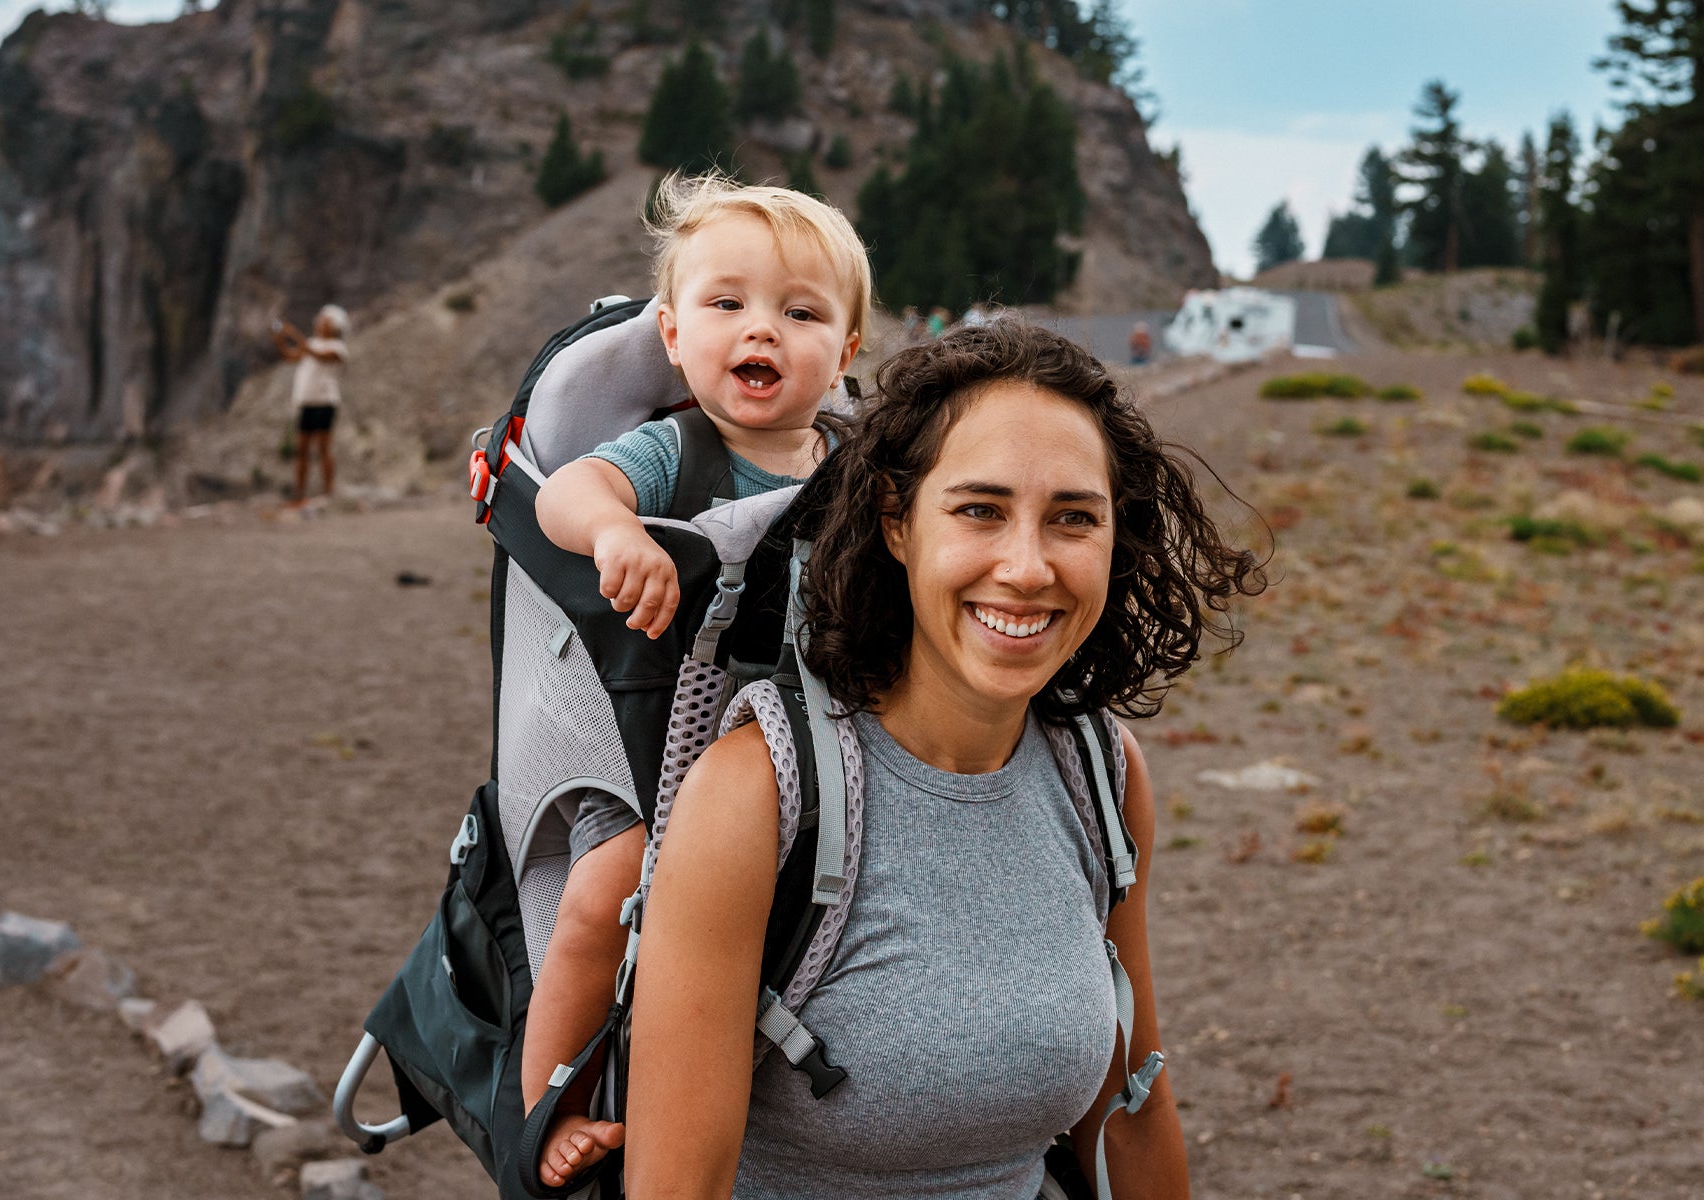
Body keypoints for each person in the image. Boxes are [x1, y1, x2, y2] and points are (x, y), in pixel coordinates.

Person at [627, 317, 1266, 1198]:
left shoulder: (1102, 776)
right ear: (897, 522)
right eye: (980, 510)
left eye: (1074, 518)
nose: (1029, 567)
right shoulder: (758, 793)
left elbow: (1130, 1106)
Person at [524, 172, 873, 1190]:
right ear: (674, 335)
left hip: (806, 752)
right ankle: (550, 1100)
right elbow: (569, 492)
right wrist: (615, 530)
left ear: (845, 353)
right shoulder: (679, 451)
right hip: (655, 757)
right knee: (607, 890)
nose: (761, 329)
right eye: (727, 305)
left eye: (800, 312)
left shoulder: (857, 465)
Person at [273, 304, 351, 503]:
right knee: (302, 448)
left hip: (325, 403)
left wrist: (294, 334)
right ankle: (300, 493)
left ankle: (328, 490)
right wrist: (281, 339)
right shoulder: (312, 343)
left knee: (323, 448)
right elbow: (291, 356)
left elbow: (315, 354)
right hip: (307, 402)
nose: (319, 323)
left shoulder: (337, 348)